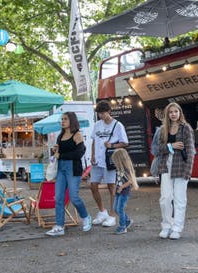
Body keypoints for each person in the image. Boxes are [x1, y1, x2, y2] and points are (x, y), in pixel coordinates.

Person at [45, 112, 92, 236]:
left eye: (65, 119)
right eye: (62, 119)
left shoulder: (77, 135)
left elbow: (80, 153)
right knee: (59, 198)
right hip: (61, 168)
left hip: (73, 167)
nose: (62, 121)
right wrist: (56, 149)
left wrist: (61, 155)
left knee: (74, 196)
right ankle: (59, 226)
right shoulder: (60, 136)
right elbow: (59, 152)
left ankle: (85, 216)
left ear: (71, 120)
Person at [155, 102, 196, 239]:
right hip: (165, 166)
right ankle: (166, 225)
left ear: (180, 113)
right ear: (167, 114)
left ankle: (177, 228)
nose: (173, 114)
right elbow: (158, 149)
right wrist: (170, 146)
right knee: (165, 198)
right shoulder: (162, 130)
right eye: (171, 112)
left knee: (179, 199)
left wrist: (188, 171)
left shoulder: (186, 128)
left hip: (181, 166)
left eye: (176, 111)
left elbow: (190, 151)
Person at [90, 100, 129, 228]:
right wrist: (93, 155)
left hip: (110, 160)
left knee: (111, 186)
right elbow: (94, 141)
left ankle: (112, 215)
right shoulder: (97, 125)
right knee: (93, 185)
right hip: (97, 161)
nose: (101, 116)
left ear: (109, 111)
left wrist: (112, 145)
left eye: (103, 113)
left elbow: (125, 143)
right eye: (99, 113)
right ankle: (102, 211)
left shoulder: (118, 125)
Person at [110, 148, 139, 234]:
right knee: (115, 208)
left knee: (120, 209)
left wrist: (122, 187)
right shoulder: (118, 169)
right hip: (118, 191)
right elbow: (117, 180)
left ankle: (122, 226)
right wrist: (115, 188)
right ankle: (127, 220)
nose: (114, 162)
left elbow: (130, 181)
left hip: (124, 192)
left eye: (115, 160)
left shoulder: (127, 169)